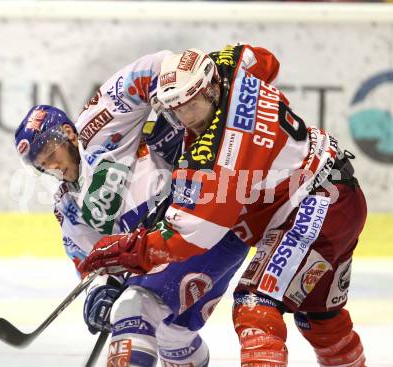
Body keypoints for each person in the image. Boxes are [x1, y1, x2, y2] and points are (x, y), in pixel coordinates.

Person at [79, 44, 367, 367]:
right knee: (319, 317)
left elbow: (189, 237)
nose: (187, 119)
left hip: (315, 204)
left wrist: (131, 251)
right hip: (333, 192)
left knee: (254, 305)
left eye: (193, 107)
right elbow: (266, 61)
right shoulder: (229, 65)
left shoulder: (222, 154)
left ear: (212, 89)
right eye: (177, 109)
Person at [15, 44, 281, 366]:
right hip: (182, 245)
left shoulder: (96, 127)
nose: (52, 167)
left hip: (200, 219)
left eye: (51, 154)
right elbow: (93, 262)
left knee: (133, 309)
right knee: (174, 337)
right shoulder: (68, 208)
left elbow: (154, 67)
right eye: (42, 165)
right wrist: (100, 291)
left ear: (68, 133)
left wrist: (175, 99)